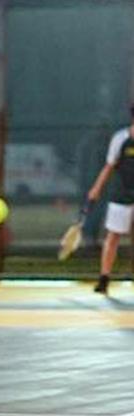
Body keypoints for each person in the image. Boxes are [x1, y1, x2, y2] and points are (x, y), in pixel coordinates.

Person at [87, 104, 134, 294]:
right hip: (121, 195)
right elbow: (109, 166)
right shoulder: (120, 139)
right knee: (113, 237)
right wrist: (96, 189)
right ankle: (104, 278)